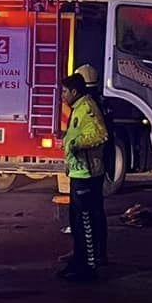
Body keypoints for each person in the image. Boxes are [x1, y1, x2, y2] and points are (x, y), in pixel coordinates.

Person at [59, 67, 110, 282]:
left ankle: (89, 267)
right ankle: (79, 261)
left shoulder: (87, 108)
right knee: (78, 221)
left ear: (74, 91)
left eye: (64, 91)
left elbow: (100, 134)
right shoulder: (79, 108)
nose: (62, 95)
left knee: (86, 220)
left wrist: (76, 144)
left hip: (88, 174)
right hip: (79, 172)